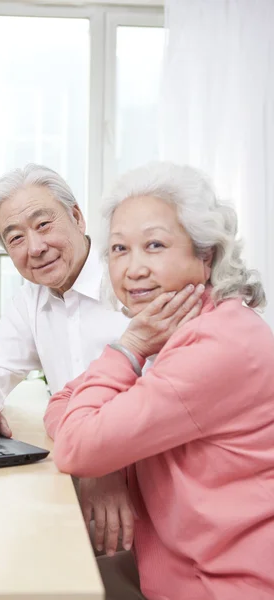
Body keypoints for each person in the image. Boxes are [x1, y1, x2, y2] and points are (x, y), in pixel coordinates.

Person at [0, 163, 203, 557]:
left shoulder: (134, 280)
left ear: (77, 217)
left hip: (168, 481)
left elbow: (166, 402)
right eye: (15, 238)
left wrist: (101, 461)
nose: (35, 247)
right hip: (86, 468)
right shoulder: (33, 299)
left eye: (43, 224)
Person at [47, 162, 274, 600]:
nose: (133, 269)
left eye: (154, 245)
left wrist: (128, 348)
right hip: (172, 567)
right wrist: (104, 456)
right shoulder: (178, 326)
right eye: (118, 249)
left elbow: (76, 441)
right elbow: (64, 401)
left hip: (222, 584)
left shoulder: (217, 346)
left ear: (204, 255)